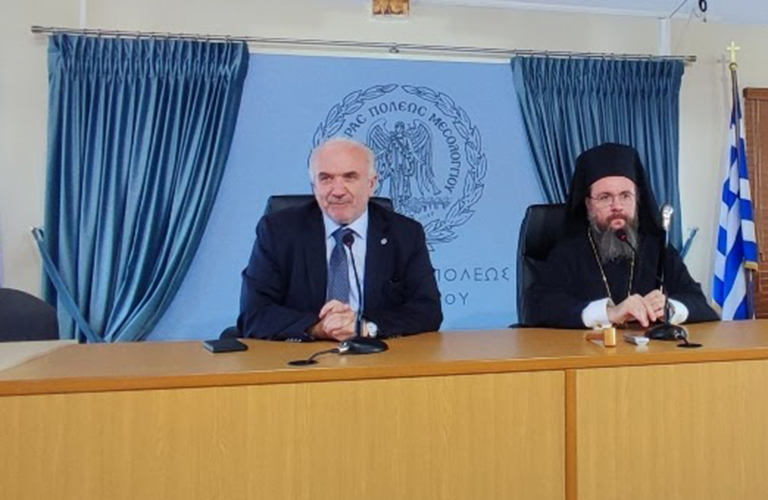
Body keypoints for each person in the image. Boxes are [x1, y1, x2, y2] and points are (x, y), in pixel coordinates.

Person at [238, 137, 443, 341]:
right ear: (314, 186)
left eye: (350, 177)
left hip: (376, 353)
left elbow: (428, 311)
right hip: (300, 354)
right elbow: (254, 314)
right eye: (326, 179)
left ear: (372, 184)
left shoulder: (405, 233)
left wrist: (366, 327)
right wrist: (317, 328)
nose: (337, 191)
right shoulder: (278, 231)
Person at [529, 143, 718, 329]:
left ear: (637, 200)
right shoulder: (569, 252)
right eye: (605, 197)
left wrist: (670, 308)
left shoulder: (657, 249)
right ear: (588, 204)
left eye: (625, 196)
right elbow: (539, 307)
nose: (617, 206)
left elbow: (700, 304)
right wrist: (609, 313)